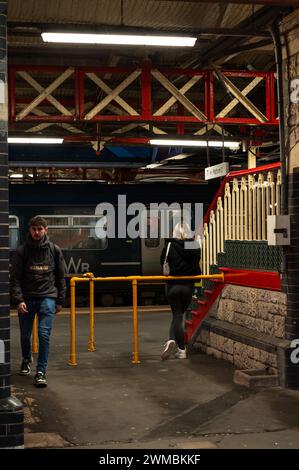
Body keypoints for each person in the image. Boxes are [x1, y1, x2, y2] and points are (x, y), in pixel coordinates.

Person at [11, 215, 66, 387]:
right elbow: (15, 279)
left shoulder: (54, 250)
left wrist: (59, 301)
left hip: (47, 297)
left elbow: (61, 277)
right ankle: (27, 359)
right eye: (34, 229)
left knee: (43, 334)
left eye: (40, 229)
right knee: (25, 336)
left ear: (45, 230)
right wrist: (19, 300)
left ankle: (41, 371)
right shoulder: (22, 251)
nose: (37, 232)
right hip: (27, 299)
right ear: (30, 230)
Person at [160, 222, 201, 360]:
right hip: (188, 287)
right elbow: (196, 263)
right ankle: (173, 342)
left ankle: (180, 348)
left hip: (172, 286)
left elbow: (162, 263)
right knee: (179, 316)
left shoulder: (169, 246)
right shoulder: (194, 246)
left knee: (176, 315)